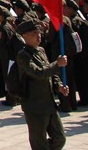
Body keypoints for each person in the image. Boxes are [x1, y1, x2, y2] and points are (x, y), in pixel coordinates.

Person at [16, 18, 68, 150]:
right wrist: (57, 64)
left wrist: (59, 86)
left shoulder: (41, 51)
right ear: (25, 36)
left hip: (49, 103)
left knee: (60, 138)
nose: (38, 35)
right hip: (35, 106)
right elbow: (38, 73)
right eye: (34, 33)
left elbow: (50, 73)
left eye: (39, 32)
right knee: (39, 143)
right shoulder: (23, 55)